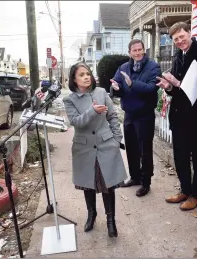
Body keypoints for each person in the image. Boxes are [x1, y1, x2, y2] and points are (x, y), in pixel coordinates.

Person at [156, 22, 197, 210]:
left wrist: (179, 83)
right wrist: (169, 87)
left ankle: (196, 194)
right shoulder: (178, 55)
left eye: (182, 37)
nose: (180, 41)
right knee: (180, 155)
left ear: (190, 33)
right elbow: (177, 90)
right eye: (176, 39)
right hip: (178, 114)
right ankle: (184, 189)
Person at [63, 63, 127, 237]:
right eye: (81, 74)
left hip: (106, 145)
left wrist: (116, 140)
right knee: (88, 186)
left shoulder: (101, 93)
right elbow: (76, 122)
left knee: (108, 185)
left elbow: (112, 116)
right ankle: (91, 214)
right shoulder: (69, 100)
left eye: (88, 73)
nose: (86, 77)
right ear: (74, 79)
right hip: (83, 148)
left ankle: (111, 221)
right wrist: (92, 111)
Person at [111, 39, 161, 197]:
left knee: (144, 150)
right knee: (131, 148)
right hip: (129, 114)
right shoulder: (124, 67)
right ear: (130, 53)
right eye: (134, 50)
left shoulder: (153, 67)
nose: (138, 53)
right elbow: (116, 85)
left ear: (143, 50)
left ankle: (146, 182)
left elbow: (151, 89)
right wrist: (116, 88)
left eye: (140, 50)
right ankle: (135, 177)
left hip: (145, 115)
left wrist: (132, 84)